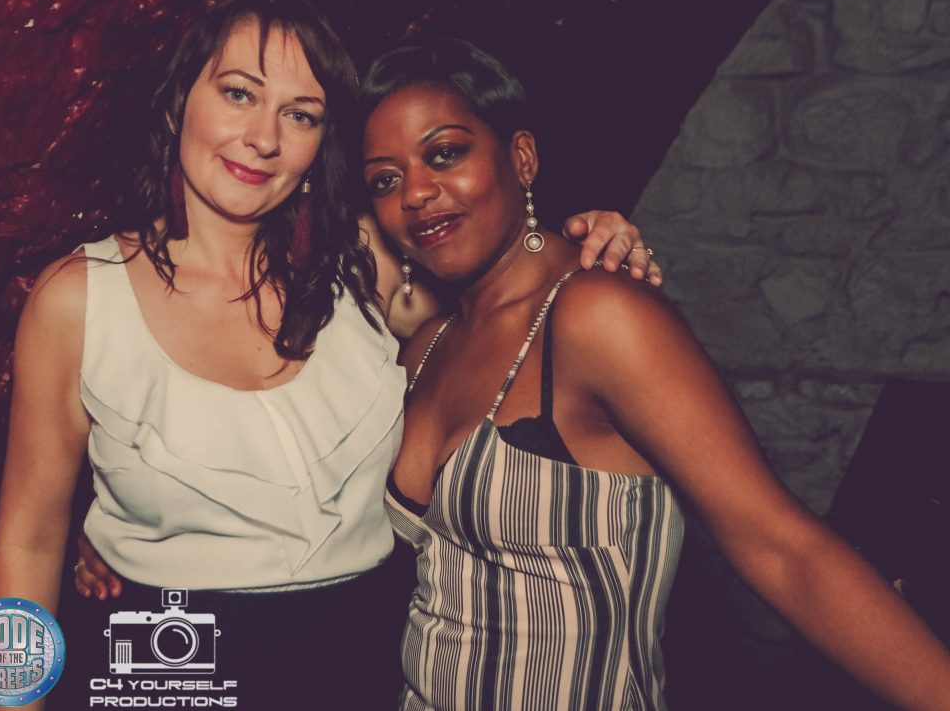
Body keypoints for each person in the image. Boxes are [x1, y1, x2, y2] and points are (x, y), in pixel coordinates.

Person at [0, 0, 658, 709]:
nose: (263, 137)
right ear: (180, 101)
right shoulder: (80, 298)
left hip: (365, 676)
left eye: (300, 114)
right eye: (239, 93)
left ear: (320, 145)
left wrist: (586, 244)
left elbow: (514, 308)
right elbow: (27, 544)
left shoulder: (365, 265)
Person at [354, 39, 950, 710]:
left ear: (521, 158)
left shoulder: (597, 315)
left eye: (444, 154)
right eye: (385, 179)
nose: (417, 193)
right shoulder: (425, 348)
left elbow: (781, 545)